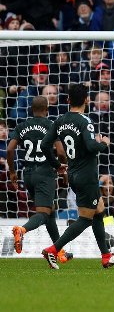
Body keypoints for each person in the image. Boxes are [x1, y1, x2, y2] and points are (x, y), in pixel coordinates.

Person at [39, 84, 114, 269]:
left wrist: (56, 165)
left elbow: (46, 145)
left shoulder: (60, 120)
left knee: (98, 212)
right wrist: (104, 143)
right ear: (86, 100)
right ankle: (53, 250)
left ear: (68, 100)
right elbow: (91, 146)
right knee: (85, 219)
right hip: (87, 176)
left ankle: (106, 256)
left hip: (73, 174)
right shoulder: (85, 121)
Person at [6, 96, 72, 263]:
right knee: (43, 213)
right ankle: (22, 230)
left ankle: (59, 251)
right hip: (44, 174)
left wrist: (12, 172)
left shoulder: (22, 126)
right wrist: (62, 170)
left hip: (27, 174)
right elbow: (61, 152)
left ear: (31, 110)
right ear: (47, 109)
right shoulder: (51, 125)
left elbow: (10, 149)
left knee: (49, 212)